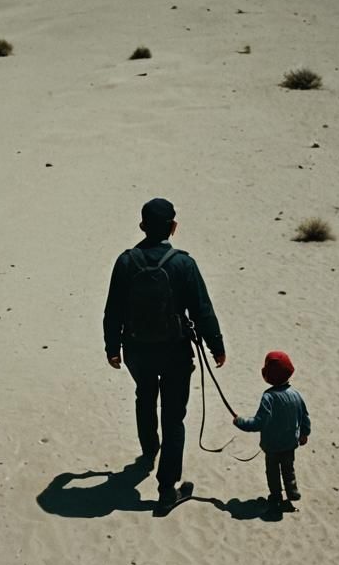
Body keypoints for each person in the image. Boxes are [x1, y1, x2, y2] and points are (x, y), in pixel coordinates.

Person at [103, 198, 226, 514]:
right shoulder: (183, 263)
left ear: (142, 226)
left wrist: (111, 348)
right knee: (174, 416)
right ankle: (167, 488)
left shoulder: (126, 261)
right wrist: (216, 345)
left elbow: (113, 310)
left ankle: (149, 450)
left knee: (144, 394)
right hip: (175, 351)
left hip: (136, 349)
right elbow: (202, 309)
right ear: (173, 227)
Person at [232, 351, 310, 509]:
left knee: (273, 472)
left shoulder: (268, 397)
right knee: (289, 468)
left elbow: (258, 423)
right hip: (290, 443)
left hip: (273, 445)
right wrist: (304, 434)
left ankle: (276, 496)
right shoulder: (296, 395)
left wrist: (240, 421)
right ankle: (292, 490)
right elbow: (305, 417)